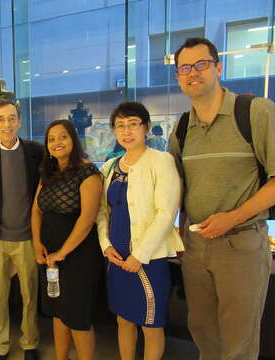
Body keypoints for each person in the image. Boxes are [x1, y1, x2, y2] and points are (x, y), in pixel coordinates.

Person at [168, 37, 275, 360]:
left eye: (201, 64)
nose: (193, 73)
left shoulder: (255, 112)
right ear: (178, 77)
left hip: (240, 245)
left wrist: (234, 216)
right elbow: (179, 186)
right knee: (203, 332)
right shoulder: (183, 127)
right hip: (197, 247)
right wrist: (180, 230)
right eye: (185, 68)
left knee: (238, 341)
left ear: (218, 67)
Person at [97, 102, 184, 360]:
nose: (127, 131)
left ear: (145, 127)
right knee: (124, 319)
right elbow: (102, 212)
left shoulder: (161, 161)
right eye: (120, 126)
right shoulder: (110, 167)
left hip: (148, 259)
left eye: (133, 124)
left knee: (151, 324)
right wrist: (106, 246)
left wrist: (140, 255)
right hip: (117, 257)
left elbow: (167, 213)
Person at [0, 92, 43, 360]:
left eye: (11, 118)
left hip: (27, 238)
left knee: (29, 296)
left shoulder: (35, 151)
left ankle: (29, 343)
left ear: (20, 121)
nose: (7, 124)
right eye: (0, 119)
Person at [31, 119, 102, 360]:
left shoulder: (88, 172)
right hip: (49, 252)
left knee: (77, 317)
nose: (57, 143)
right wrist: (36, 243)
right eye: (51, 139)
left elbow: (87, 219)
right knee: (57, 311)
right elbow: (36, 210)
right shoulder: (48, 174)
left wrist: (63, 252)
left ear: (73, 139)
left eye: (63, 136)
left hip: (78, 254)